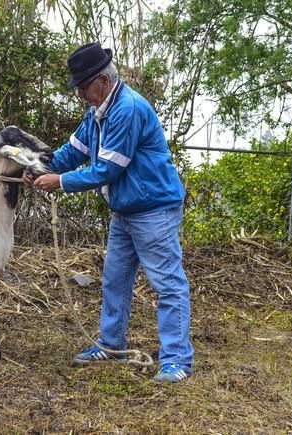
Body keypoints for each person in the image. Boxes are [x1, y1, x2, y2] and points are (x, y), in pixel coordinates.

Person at [23, 42, 194, 383]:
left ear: (102, 79)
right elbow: (73, 152)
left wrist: (61, 182)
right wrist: (40, 166)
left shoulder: (127, 109)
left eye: (83, 87)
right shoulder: (97, 113)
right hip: (125, 210)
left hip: (154, 210)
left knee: (167, 284)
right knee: (114, 280)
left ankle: (177, 360)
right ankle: (110, 343)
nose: (81, 94)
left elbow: (107, 170)